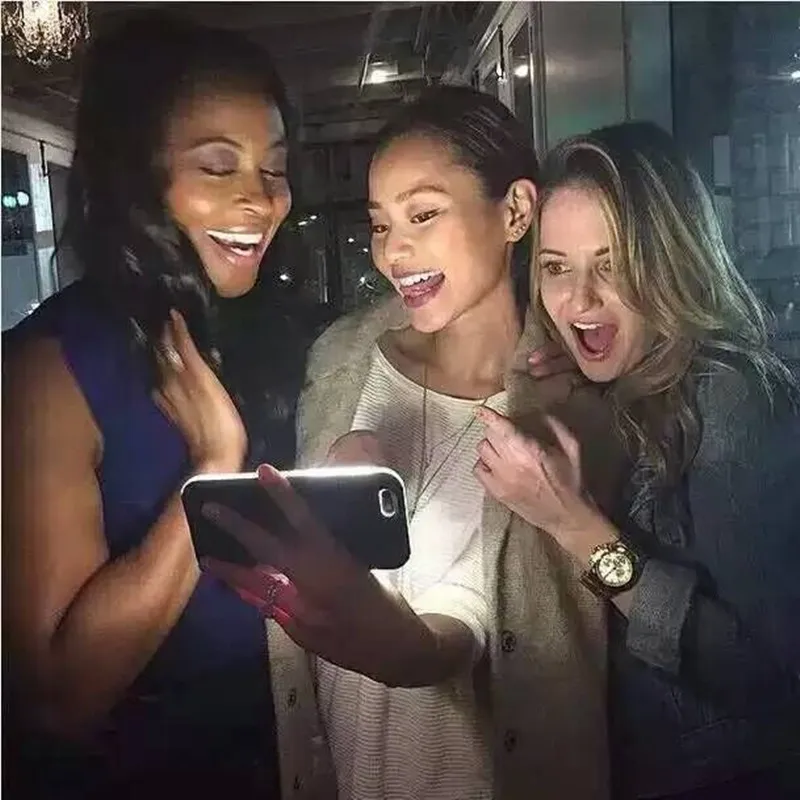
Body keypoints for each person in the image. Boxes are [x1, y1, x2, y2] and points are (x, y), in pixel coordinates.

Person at [197, 86, 626, 800]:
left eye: (423, 215)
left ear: (515, 212)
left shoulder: (571, 407)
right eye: (379, 224)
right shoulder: (340, 362)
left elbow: (463, 635)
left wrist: (389, 637)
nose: (393, 251)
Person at [2, 14, 313, 799]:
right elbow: (61, 700)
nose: (260, 199)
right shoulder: (49, 369)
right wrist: (211, 467)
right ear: (139, 179)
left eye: (275, 168)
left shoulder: (271, 332)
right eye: (218, 166)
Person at [477, 121, 800, 799]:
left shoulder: (731, 398)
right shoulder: (611, 384)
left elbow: (768, 678)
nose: (579, 299)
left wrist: (576, 528)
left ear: (671, 262)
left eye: (612, 264)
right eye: (556, 267)